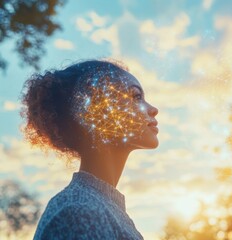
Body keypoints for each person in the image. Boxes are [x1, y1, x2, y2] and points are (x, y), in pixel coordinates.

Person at [21, 60, 159, 239]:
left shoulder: (100, 207)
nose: (153, 110)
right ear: (96, 112)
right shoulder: (79, 212)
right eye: (136, 96)